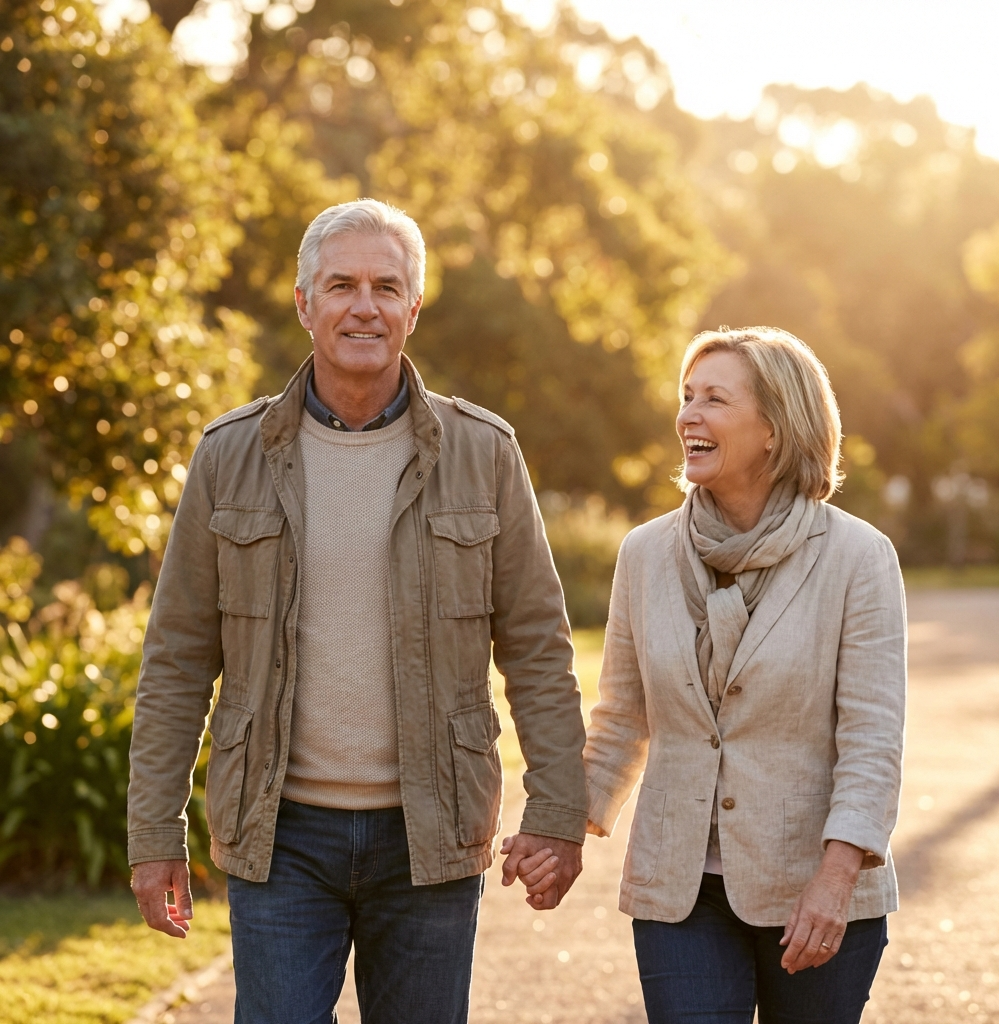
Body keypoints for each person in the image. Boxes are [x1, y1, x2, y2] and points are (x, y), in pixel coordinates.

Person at [127, 198, 588, 1024]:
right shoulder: (228, 457)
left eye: (386, 285)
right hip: (281, 838)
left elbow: (539, 649)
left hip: (431, 832)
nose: (363, 306)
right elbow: (177, 660)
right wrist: (155, 833)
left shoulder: (485, 454)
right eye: (341, 284)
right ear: (304, 303)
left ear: (414, 306)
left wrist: (556, 816)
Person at [581, 327, 906, 1023]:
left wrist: (836, 879)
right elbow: (621, 719)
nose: (688, 416)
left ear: (773, 429)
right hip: (680, 888)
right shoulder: (644, 555)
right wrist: (557, 826)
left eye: (715, 400)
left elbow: (873, 740)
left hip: (816, 887)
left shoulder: (858, 558)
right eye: (687, 397)